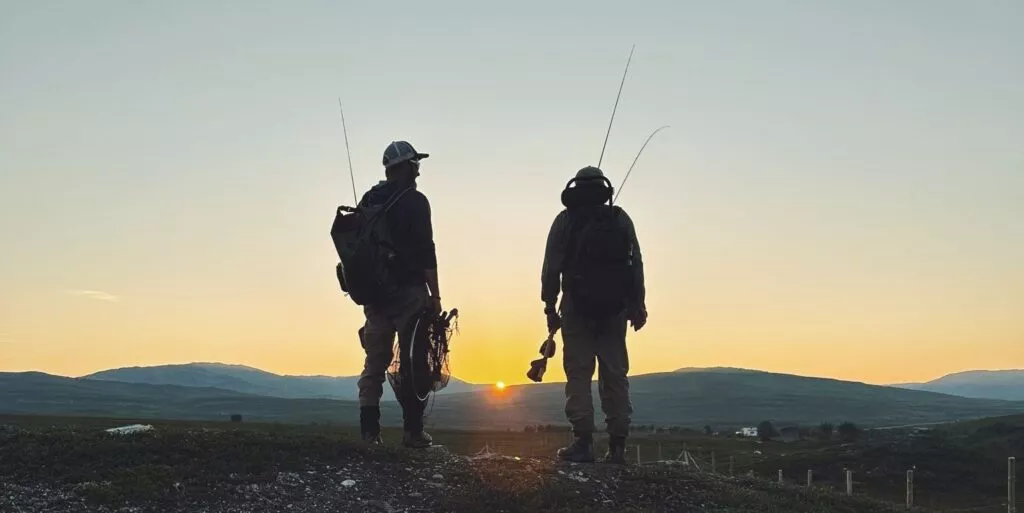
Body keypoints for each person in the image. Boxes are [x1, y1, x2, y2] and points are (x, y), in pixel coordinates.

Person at [540, 166, 647, 464]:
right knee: (615, 375)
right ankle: (618, 447)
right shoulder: (620, 219)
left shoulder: (564, 221)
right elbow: (635, 263)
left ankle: (583, 443)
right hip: (616, 311)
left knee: (578, 374)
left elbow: (550, 269)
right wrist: (638, 304)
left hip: (576, 309)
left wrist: (550, 306)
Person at [355, 140, 442, 449]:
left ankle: (369, 433)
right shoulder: (416, 202)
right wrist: (436, 295)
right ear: (407, 167)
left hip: (375, 295)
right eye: (415, 165)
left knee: (374, 362)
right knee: (413, 361)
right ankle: (413, 432)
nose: (418, 171)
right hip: (409, 293)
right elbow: (427, 250)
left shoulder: (369, 199)